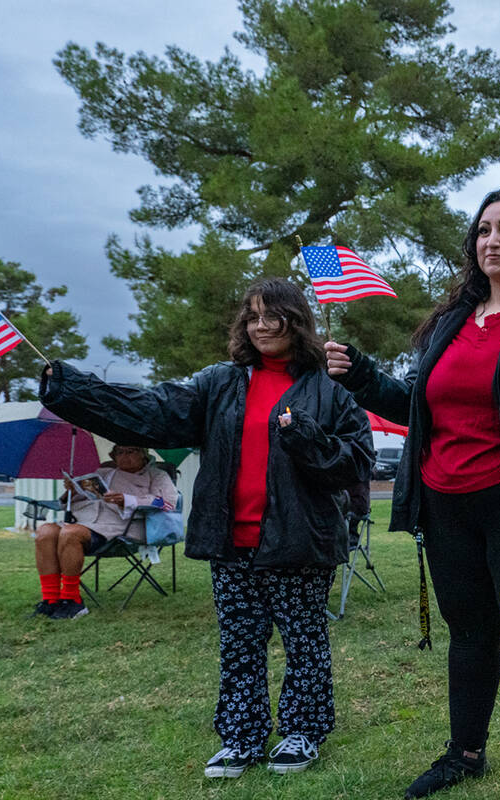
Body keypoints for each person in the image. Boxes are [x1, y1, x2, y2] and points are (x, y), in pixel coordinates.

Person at [325, 188, 500, 800]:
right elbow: (415, 406)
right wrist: (363, 374)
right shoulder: (448, 322)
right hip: (444, 503)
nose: (492, 241)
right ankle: (465, 754)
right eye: (483, 230)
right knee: (469, 633)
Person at [40, 277, 373, 779]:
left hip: (300, 540)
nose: (261, 326)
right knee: (239, 644)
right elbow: (151, 411)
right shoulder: (219, 382)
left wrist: (307, 438)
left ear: (297, 321)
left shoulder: (329, 389)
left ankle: (302, 732)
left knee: (305, 642)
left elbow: (357, 462)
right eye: (252, 316)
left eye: (273, 316)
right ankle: (241, 737)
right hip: (230, 541)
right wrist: (74, 389)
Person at [30, 444, 178, 620]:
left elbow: (168, 503)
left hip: (121, 529)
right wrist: (72, 491)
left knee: (70, 533)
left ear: (143, 454)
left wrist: (128, 500)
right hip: (85, 521)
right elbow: (70, 501)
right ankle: (50, 600)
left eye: (130, 451)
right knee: (45, 532)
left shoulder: (156, 475)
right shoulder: (103, 473)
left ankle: (72, 600)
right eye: (120, 452)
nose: (125, 456)